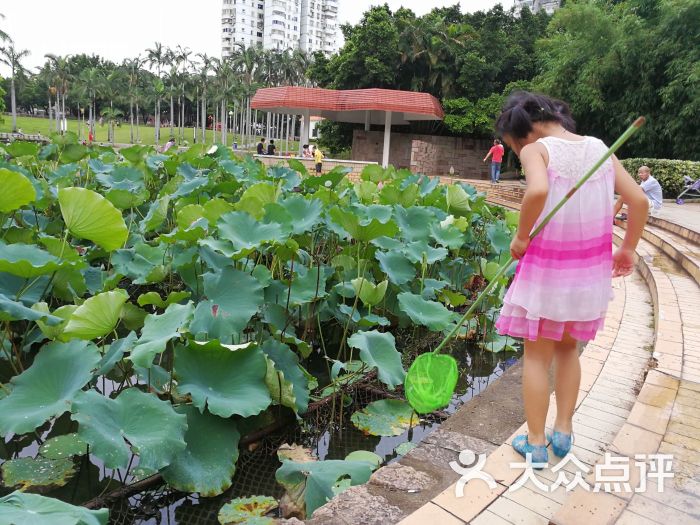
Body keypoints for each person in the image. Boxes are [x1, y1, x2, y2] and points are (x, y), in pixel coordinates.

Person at [493, 91, 648, 466]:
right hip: (588, 276)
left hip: (548, 272)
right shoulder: (599, 148)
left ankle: (535, 443)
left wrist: (521, 236)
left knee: (536, 358)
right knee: (568, 351)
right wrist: (627, 249)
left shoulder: (537, 150)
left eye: (513, 147)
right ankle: (563, 432)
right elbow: (639, 201)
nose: (518, 152)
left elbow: (539, 190)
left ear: (523, 134)